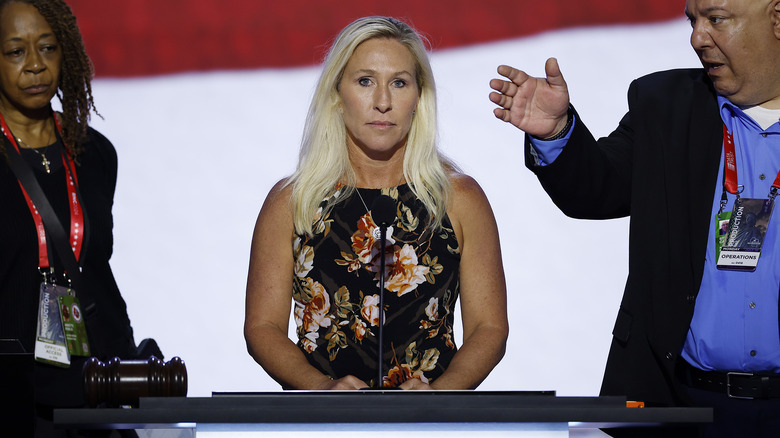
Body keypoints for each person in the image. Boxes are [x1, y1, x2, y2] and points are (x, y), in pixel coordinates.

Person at [489, 0, 780, 436]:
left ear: (776, 17)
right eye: (692, 20)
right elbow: (596, 188)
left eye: (716, 19)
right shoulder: (664, 105)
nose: (697, 38)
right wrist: (556, 133)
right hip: (674, 404)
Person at [244, 16, 508, 390]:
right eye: (365, 81)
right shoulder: (293, 202)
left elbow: (490, 328)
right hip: (323, 425)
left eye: (399, 83)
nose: (382, 102)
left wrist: (441, 395)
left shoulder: (459, 200)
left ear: (419, 97)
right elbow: (262, 328)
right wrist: (321, 389)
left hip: (430, 426)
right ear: (337, 93)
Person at [0, 1, 149, 436]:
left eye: (47, 47)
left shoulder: (94, 152)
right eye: (15, 51)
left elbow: (96, 266)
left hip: (95, 382)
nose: (34, 66)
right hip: (13, 392)